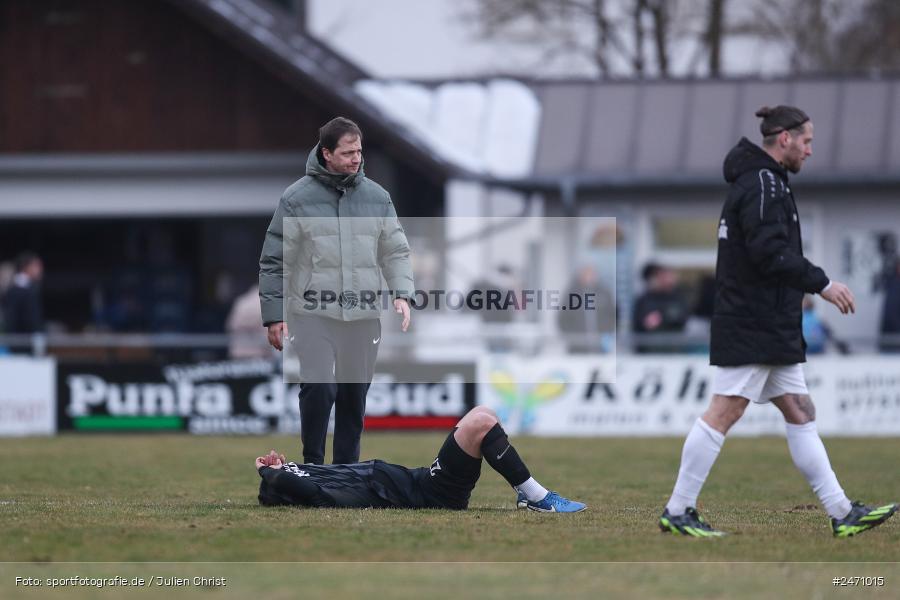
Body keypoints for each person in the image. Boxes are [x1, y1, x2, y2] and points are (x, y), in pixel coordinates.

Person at [659, 105, 897, 538]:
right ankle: (677, 511)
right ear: (783, 138)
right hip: (754, 322)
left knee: (800, 410)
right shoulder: (764, 183)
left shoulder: (765, 182)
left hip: (769, 324)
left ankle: (842, 512)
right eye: (806, 142)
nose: (809, 151)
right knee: (724, 411)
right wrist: (822, 284)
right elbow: (770, 253)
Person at [259, 117, 414, 466]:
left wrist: (402, 293)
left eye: (359, 150)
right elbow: (273, 261)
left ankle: (346, 473)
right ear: (326, 153)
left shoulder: (378, 198)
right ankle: (312, 465)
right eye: (347, 152)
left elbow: (396, 251)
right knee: (320, 386)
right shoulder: (296, 199)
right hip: (311, 313)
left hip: (363, 315)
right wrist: (274, 316)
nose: (356, 158)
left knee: (353, 396)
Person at [255, 406, 586, 513]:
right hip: (433, 493)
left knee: (484, 413)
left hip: (426, 480)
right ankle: (537, 498)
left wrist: (277, 467)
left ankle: (528, 494)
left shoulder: (315, 477)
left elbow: (295, 476)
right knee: (481, 423)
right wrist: (268, 475)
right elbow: (301, 490)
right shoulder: (326, 496)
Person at [557, 265, 615, 353]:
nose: (589, 277)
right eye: (586, 274)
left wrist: (608, 332)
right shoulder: (572, 294)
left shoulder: (605, 293)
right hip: (577, 346)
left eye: (591, 274)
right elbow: (562, 318)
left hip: (601, 344)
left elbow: (613, 315)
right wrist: (572, 336)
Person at [632, 263, 689, 353]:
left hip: (673, 350)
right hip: (649, 351)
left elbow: (681, 317)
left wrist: (661, 317)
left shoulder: (678, 297)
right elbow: (640, 323)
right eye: (660, 276)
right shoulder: (644, 299)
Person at [1, 252, 44, 334]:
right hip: (20, 341)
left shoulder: (30, 287)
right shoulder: (15, 290)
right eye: (37, 266)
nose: (40, 269)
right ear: (26, 267)